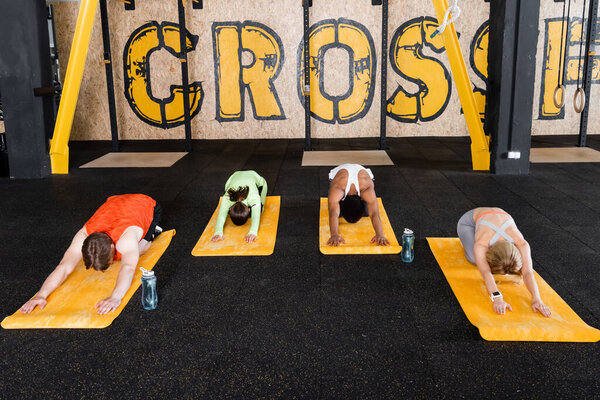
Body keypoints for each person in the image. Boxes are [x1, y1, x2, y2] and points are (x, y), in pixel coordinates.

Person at [20, 194, 162, 315]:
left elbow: (128, 268)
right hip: (115, 202)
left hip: (144, 203)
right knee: (127, 253)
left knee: (139, 249)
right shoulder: (83, 234)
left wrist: (115, 297)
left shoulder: (125, 239)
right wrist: (41, 295)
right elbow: (63, 267)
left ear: (113, 246)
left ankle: (154, 231)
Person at [457, 207, 551, 317]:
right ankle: (467, 239)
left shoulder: (522, 244)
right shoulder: (482, 244)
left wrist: (537, 299)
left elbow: (528, 272)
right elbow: (486, 272)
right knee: (474, 259)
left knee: (506, 263)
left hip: (495, 218)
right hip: (468, 223)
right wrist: (497, 298)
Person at [327, 163, 389, 247]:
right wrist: (334, 235)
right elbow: (333, 213)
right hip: (343, 173)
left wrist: (380, 234)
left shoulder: (365, 188)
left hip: (356, 174)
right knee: (367, 212)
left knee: (367, 212)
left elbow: (333, 213)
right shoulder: (364, 189)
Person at [211, 170, 267, 244]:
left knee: (260, 210)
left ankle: (258, 207)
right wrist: (218, 232)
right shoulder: (227, 197)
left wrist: (253, 232)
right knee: (227, 193)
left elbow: (256, 216)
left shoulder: (253, 197)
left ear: (249, 210)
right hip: (234, 176)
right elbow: (221, 215)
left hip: (257, 178)